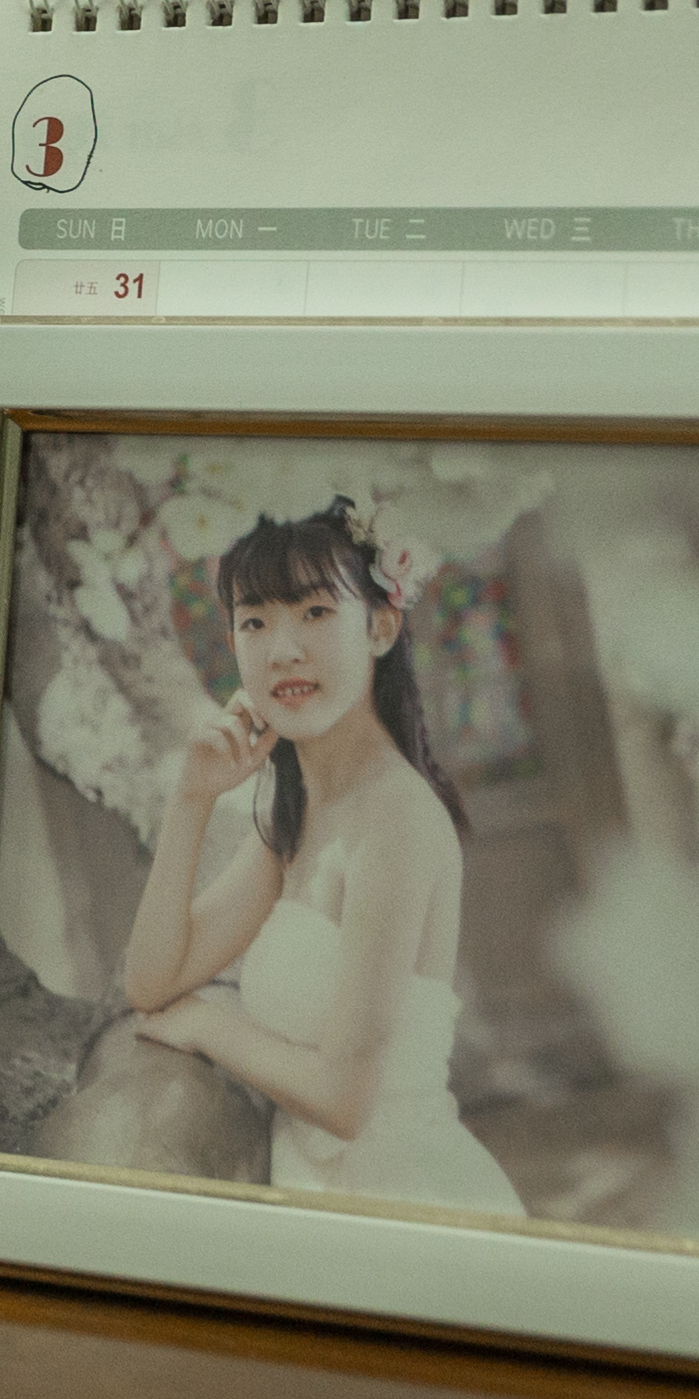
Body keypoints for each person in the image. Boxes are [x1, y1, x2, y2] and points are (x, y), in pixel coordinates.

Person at [114, 499, 522, 1218]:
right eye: (255, 620)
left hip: (398, 1203)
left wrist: (211, 1026)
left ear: (381, 626)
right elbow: (151, 981)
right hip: (311, 1189)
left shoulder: (397, 818)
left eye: (313, 613)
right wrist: (192, 798)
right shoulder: (296, 813)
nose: (283, 651)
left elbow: (344, 1101)